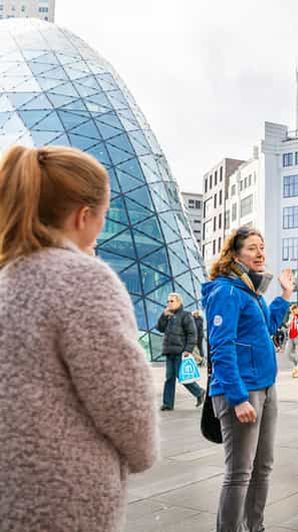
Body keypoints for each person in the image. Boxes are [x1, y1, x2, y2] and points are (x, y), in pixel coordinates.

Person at [0, 145, 158, 531]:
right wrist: (143, 455)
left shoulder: (7, 274)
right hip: (63, 497)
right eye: (103, 216)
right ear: (83, 216)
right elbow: (126, 405)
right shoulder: (82, 279)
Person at [202, 226, 294, 532]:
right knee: (239, 472)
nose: (260, 253)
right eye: (252, 248)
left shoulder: (250, 292)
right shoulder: (226, 291)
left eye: (262, 247)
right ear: (235, 253)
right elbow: (221, 348)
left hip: (265, 387)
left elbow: (266, 326)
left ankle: (255, 527)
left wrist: (284, 295)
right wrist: (238, 397)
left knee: (263, 468)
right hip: (241, 391)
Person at [157, 292, 204, 410]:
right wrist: (163, 315)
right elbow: (160, 328)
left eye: (171, 301)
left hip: (180, 351)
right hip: (169, 351)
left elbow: (192, 333)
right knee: (169, 378)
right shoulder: (168, 315)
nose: (169, 303)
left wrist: (188, 349)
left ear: (179, 302)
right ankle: (167, 404)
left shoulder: (185, 315)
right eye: (168, 301)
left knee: (181, 376)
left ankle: (199, 392)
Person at [285, 304, 298, 378]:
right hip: (290, 337)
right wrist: (288, 324)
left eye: (292, 310)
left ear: (295, 309)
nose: (292, 312)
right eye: (291, 311)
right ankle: (295, 363)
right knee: (287, 354)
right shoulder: (291, 315)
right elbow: (289, 323)